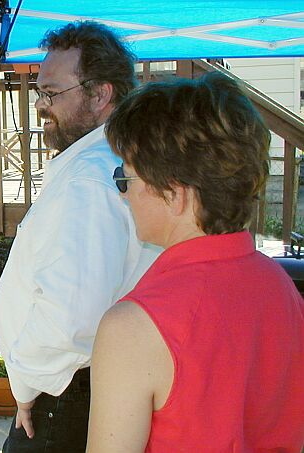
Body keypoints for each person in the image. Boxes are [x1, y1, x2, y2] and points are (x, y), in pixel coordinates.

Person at [87, 72, 304, 451]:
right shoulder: (280, 285)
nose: (123, 195)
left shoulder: (133, 326)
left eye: (127, 177)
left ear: (174, 195)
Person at [0, 21, 160, 452]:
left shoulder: (89, 180)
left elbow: (72, 319)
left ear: (100, 95)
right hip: (72, 388)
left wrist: (27, 384)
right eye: (39, 93)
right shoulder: (104, 164)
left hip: (61, 396)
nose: (41, 106)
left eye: (51, 94)